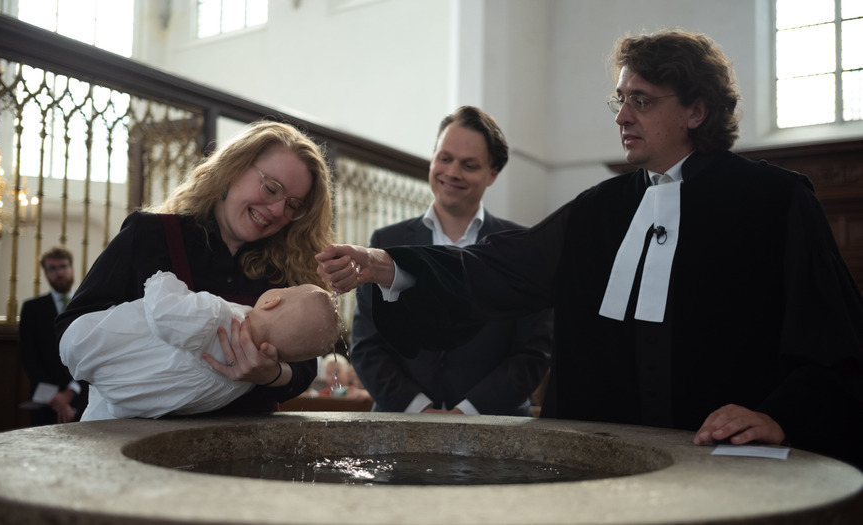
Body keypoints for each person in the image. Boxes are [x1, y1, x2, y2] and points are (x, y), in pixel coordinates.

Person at [317, 30, 863, 468]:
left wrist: (780, 415)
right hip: (607, 467)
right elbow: (502, 267)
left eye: (641, 101)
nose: (622, 116)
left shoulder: (775, 201)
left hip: (723, 463)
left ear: (696, 111)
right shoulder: (599, 209)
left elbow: (835, 342)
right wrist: (391, 264)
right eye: (620, 100)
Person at [57, 120, 334, 416]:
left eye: (293, 205)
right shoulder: (151, 234)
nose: (278, 210)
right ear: (234, 168)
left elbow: (305, 365)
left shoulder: (286, 267)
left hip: (248, 435)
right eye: (271, 188)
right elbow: (72, 326)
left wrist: (272, 374)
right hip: (139, 430)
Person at [351, 106, 552, 416]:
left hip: (495, 426)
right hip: (401, 422)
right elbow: (367, 345)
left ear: (493, 173)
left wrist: (466, 415)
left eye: (469, 165)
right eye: (445, 158)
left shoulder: (523, 247)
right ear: (432, 157)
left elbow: (533, 353)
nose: (453, 172)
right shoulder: (386, 242)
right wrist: (420, 410)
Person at [60, 271, 340, 420]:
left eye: (288, 288)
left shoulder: (217, 317)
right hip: (131, 404)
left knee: (79, 338)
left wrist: (162, 280)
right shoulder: (242, 382)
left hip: (116, 357)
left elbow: (165, 313)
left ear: (270, 301)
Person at [19, 246, 88, 425]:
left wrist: (70, 392)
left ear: (72, 268)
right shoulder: (32, 308)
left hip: (83, 398)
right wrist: (57, 398)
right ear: (46, 273)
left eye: (63, 266)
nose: (59, 272)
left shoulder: (86, 305)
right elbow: (29, 357)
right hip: (46, 401)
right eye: (52, 268)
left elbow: (91, 352)